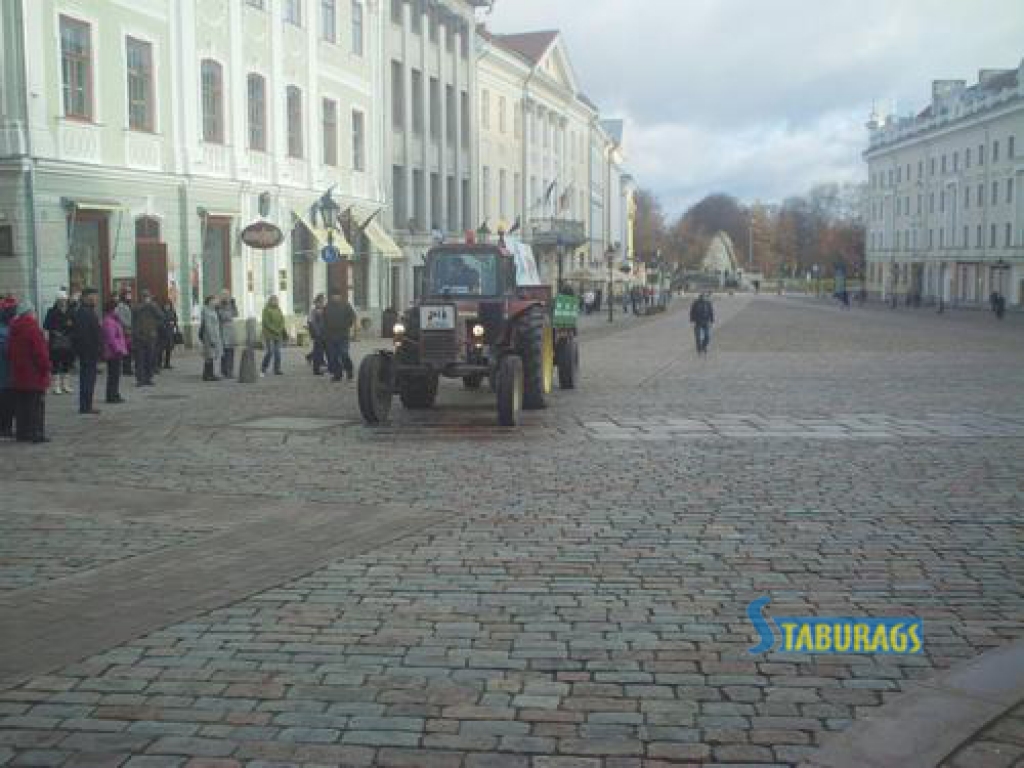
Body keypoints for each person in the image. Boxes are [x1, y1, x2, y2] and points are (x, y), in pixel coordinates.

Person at [8, 301, 51, 442]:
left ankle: (22, 432)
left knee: (21, 404)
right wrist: (46, 367)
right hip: (34, 373)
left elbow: (10, 351)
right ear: (31, 313)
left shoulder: (13, 329)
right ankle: (35, 432)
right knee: (35, 404)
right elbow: (40, 352)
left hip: (18, 372)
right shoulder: (33, 329)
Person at [71, 288, 102, 414]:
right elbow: (84, 334)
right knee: (87, 378)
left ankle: (86, 404)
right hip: (88, 351)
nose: (96, 299)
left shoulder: (87, 311)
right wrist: (93, 349)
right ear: (86, 297)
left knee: (88, 378)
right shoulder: (84, 312)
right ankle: (85, 406)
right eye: (94, 296)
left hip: (89, 351)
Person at [43, 290, 76, 395]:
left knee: (67, 363)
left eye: (64, 300)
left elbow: (75, 324)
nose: (62, 302)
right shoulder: (51, 311)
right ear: (56, 301)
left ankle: (65, 385)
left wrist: (71, 326)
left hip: (68, 340)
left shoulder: (71, 311)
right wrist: (54, 331)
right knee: (56, 363)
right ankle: (56, 386)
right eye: (60, 300)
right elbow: (46, 325)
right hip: (56, 341)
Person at [323, 292, 356, 382]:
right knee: (333, 357)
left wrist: (347, 325)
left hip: (343, 335)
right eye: (334, 295)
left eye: (337, 295)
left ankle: (349, 371)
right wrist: (325, 333)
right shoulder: (327, 307)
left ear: (340, 296)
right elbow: (324, 320)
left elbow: (352, 317)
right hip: (330, 336)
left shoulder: (346, 305)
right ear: (331, 296)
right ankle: (337, 374)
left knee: (344, 353)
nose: (335, 297)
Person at [132, 290, 163, 386]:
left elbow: (161, 316)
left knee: (150, 358)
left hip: (151, 336)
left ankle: (148, 378)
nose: (146, 298)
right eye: (144, 296)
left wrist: (155, 326)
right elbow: (135, 311)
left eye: (147, 296)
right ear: (141, 297)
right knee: (140, 359)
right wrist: (146, 305)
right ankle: (140, 379)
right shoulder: (136, 306)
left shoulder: (153, 306)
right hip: (139, 336)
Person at [101, 298, 128, 404]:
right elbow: (111, 338)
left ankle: (115, 393)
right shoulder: (109, 321)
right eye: (116, 308)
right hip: (113, 352)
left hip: (116, 351)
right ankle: (111, 395)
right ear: (112, 309)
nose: (118, 310)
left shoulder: (114, 320)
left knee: (116, 375)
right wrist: (118, 349)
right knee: (113, 375)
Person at [0, 297, 16, 437]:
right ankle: (5, 427)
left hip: (8, 373)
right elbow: (7, 350)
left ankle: (6, 426)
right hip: (5, 373)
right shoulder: (5, 330)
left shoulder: (10, 327)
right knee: (6, 402)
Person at [260, 295, 286, 377]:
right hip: (269, 334)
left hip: (278, 335)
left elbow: (282, 320)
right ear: (270, 301)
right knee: (270, 352)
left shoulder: (278, 309)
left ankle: (277, 369)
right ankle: (263, 368)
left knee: (278, 352)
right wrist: (275, 330)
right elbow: (266, 322)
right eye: (274, 300)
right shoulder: (266, 310)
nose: (275, 302)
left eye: (276, 300)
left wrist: (280, 328)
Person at [200, 295, 223, 382]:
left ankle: (209, 374)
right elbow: (208, 326)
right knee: (209, 356)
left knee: (210, 356)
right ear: (210, 301)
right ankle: (207, 375)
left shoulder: (212, 310)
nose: (216, 302)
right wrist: (212, 339)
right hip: (209, 337)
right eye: (214, 300)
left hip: (213, 336)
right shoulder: (207, 311)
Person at [217, 290, 239, 378]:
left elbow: (236, 314)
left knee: (231, 352)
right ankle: (225, 371)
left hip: (231, 331)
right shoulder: (219, 306)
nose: (227, 297)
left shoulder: (231, 304)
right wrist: (226, 308)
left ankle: (230, 371)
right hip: (223, 330)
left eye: (228, 295)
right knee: (225, 352)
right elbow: (223, 316)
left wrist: (233, 305)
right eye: (225, 295)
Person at [306, 294, 327, 376]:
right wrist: (316, 333)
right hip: (318, 334)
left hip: (325, 334)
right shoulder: (314, 311)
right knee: (318, 352)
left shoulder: (325, 310)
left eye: (323, 301)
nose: (323, 303)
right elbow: (311, 322)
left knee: (322, 351)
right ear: (317, 302)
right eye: (321, 301)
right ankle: (317, 369)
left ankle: (322, 366)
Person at [115, 290, 134, 376]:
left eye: (130, 294)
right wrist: (128, 325)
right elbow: (121, 318)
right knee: (126, 350)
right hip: (125, 330)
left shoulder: (127, 305)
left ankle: (127, 368)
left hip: (127, 330)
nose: (129, 296)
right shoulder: (121, 306)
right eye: (128, 295)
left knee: (128, 350)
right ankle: (126, 369)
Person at [689, 292, 714, 356]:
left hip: (706, 322)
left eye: (705, 297)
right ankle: (699, 349)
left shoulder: (708, 303)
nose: (704, 298)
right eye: (703, 297)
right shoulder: (696, 303)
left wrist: (712, 321)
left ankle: (703, 346)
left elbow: (711, 312)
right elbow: (692, 312)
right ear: (700, 297)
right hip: (697, 322)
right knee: (698, 337)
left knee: (707, 336)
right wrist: (692, 321)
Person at [159, 299, 179, 369]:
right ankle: (159, 364)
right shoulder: (161, 312)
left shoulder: (172, 312)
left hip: (170, 332)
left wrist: (176, 327)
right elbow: (161, 322)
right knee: (161, 349)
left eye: (168, 305)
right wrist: (168, 323)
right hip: (163, 333)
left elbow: (175, 319)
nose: (167, 306)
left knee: (169, 349)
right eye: (166, 305)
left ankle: (167, 363)